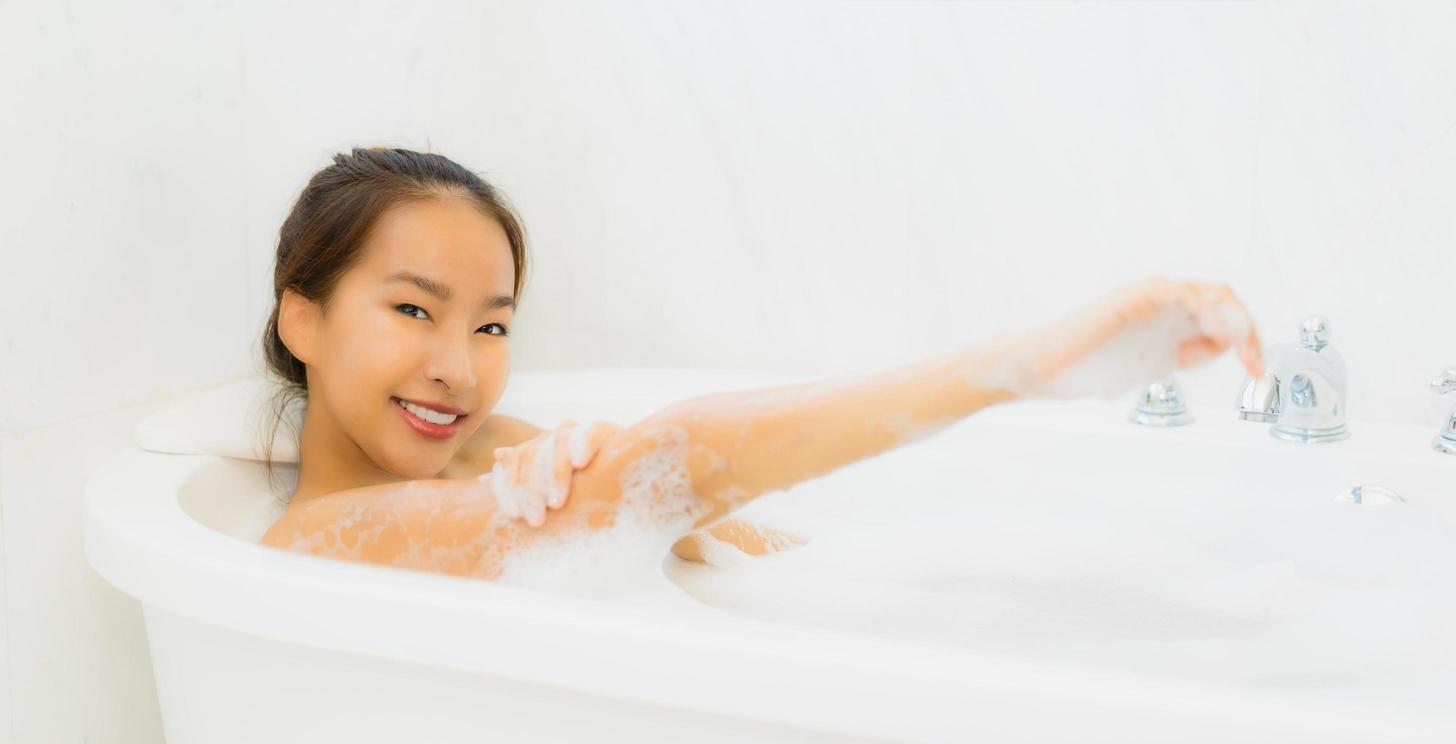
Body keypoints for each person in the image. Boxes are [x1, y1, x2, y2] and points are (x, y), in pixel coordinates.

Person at [258, 146, 1265, 584]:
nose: (457, 369)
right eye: (411, 310)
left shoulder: (492, 453)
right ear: (302, 316)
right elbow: (680, 466)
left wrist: (617, 483)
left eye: (490, 327)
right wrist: (1015, 367)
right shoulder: (323, 539)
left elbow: (754, 548)